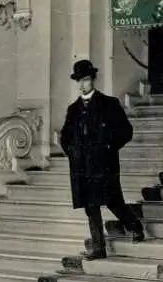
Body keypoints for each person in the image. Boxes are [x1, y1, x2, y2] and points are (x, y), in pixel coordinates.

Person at [60, 59, 145, 260]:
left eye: (86, 80)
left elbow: (126, 131)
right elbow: (65, 136)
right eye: (79, 80)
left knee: (114, 201)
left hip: (105, 164)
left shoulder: (109, 104)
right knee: (91, 207)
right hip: (82, 166)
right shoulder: (73, 109)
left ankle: (135, 227)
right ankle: (99, 248)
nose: (82, 84)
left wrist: (108, 147)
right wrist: (72, 152)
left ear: (93, 80)